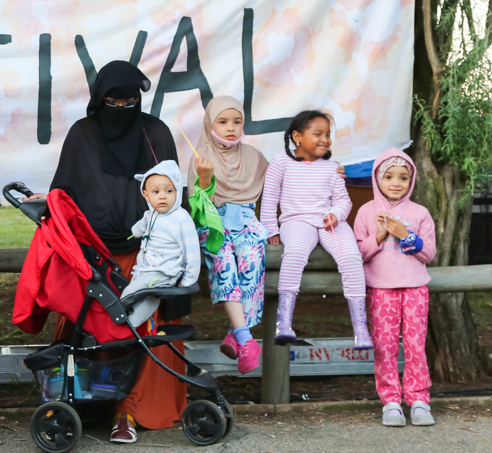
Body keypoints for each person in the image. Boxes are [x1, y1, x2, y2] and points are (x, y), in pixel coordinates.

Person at [28, 60, 184, 444]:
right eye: (113, 102)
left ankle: (129, 411)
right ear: (99, 100)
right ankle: (88, 405)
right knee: (98, 326)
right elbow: (65, 191)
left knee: (147, 328)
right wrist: (47, 201)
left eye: (130, 101)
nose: (122, 109)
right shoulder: (82, 134)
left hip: (148, 254)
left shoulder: (156, 133)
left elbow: (173, 193)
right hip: (93, 256)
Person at [260, 110, 372, 349]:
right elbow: (269, 198)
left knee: (352, 257)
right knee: (295, 253)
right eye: (318, 134)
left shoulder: (332, 167)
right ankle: (284, 323)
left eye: (328, 135)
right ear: (297, 137)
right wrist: (271, 230)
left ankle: (360, 329)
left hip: (330, 221)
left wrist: (336, 214)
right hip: (297, 221)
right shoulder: (281, 161)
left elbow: (344, 200)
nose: (325, 139)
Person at [353, 150, 437, 427]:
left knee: (415, 345)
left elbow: (429, 254)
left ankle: (419, 401)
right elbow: (359, 253)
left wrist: (405, 235)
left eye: (403, 177)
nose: (396, 183)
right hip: (380, 290)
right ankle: (391, 402)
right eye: (388, 177)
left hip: (415, 289)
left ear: (411, 181)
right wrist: (379, 235)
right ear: (378, 179)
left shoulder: (420, 213)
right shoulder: (366, 212)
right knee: (385, 347)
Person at [186, 96, 269, 375]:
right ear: (211, 123)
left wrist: (333, 175)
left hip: (246, 218)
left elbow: (282, 182)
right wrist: (206, 178)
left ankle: (237, 333)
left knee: (252, 260)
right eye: (222, 121)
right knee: (223, 263)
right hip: (213, 220)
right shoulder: (200, 157)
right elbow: (198, 207)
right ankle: (246, 340)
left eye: (237, 121)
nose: (231, 127)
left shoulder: (255, 158)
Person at [120, 161, 201, 327]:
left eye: (169, 191)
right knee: (144, 296)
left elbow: (192, 252)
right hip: (146, 269)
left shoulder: (180, 219)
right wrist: (134, 233)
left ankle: (126, 326)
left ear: (177, 192)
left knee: (131, 295)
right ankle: (130, 325)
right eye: (156, 191)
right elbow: (143, 225)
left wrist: (188, 280)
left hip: (164, 271)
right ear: (146, 195)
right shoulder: (151, 214)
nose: (162, 196)